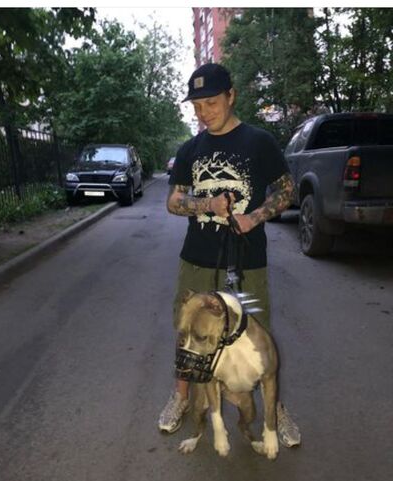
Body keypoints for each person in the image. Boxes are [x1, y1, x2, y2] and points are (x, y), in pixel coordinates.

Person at [158, 63, 301, 448]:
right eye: (197, 106)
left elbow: (287, 190)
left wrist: (254, 217)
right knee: (189, 331)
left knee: (258, 334)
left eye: (211, 103)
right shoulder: (190, 149)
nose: (204, 113)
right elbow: (173, 201)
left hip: (247, 261)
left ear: (231, 96)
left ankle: (275, 409)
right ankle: (181, 396)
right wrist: (208, 203)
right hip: (197, 259)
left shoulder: (259, 142)